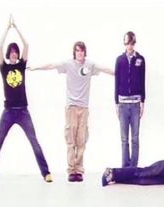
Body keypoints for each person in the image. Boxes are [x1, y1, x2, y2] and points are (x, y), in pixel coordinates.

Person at [30, 41, 114, 182]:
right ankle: (71, 170)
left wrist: (123, 73)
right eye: (77, 51)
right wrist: (35, 67)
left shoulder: (90, 65)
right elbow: (52, 65)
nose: (79, 53)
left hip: (84, 108)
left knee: (81, 140)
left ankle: (79, 171)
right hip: (71, 108)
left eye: (82, 51)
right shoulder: (68, 64)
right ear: (74, 53)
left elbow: (105, 69)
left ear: (84, 52)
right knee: (71, 140)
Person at [0, 16, 52, 182]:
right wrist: (7, 28)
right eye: (11, 52)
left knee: (34, 141)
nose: (13, 54)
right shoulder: (4, 67)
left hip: (23, 111)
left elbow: (26, 45)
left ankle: (46, 173)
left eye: (15, 52)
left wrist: (16, 28)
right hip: (8, 112)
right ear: (8, 54)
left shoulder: (20, 66)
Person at [115, 31, 146, 167]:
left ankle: (133, 167)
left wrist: (142, 101)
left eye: (131, 43)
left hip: (135, 104)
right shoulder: (120, 60)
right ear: (125, 43)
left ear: (134, 43)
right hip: (122, 103)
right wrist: (116, 102)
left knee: (135, 138)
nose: (129, 46)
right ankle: (125, 167)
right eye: (127, 43)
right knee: (124, 139)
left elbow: (142, 80)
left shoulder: (140, 59)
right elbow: (116, 81)